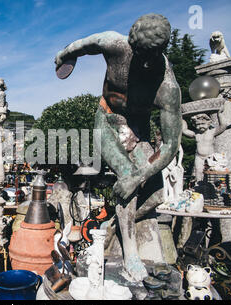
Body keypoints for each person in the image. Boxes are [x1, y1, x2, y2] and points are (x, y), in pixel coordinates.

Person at [55, 13, 182, 281]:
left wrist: (140, 175)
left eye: (152, 56)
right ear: (131, 45)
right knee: (127, 179)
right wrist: (65, 55)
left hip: (138, 129)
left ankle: (115, 222)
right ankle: (131, 254)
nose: (145, 63)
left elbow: (171, 144)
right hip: (108, 121)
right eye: (140, 54)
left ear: (161, 51)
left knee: (157, 195)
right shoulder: (114, 44)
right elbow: (83, 44)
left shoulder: (167, 85)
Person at [182, 108, 227, 182]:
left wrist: (219, 114)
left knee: (211, 175)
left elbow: (223, 126)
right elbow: (184, 130)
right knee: (198, 173)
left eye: (203, 124)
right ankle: (199, 188)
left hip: (210, 157)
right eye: (198, 124)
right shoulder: (196, 134)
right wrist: (182, 118)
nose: (200, 126)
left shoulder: (212, 132)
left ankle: (211, 188)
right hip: (199, 157)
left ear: (208, 123)